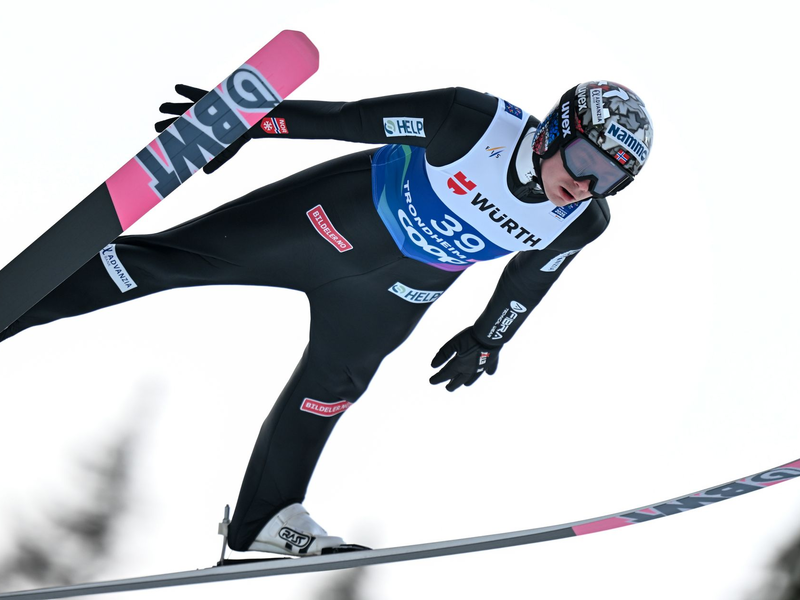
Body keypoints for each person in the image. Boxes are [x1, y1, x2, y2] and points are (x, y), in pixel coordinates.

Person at [0, 81, 653, 556]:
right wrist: (253, 123)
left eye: (610, 179)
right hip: (323, 223)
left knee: (330, 393)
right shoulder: (468, 123)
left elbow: (530, 276)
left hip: (395, 293)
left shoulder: (581, 220)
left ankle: (265, 518)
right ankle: (15, 306)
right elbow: (350, 120)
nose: (588, 185)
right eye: (587, 162)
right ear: (553, 130)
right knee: (167, 263)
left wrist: (488, 338)